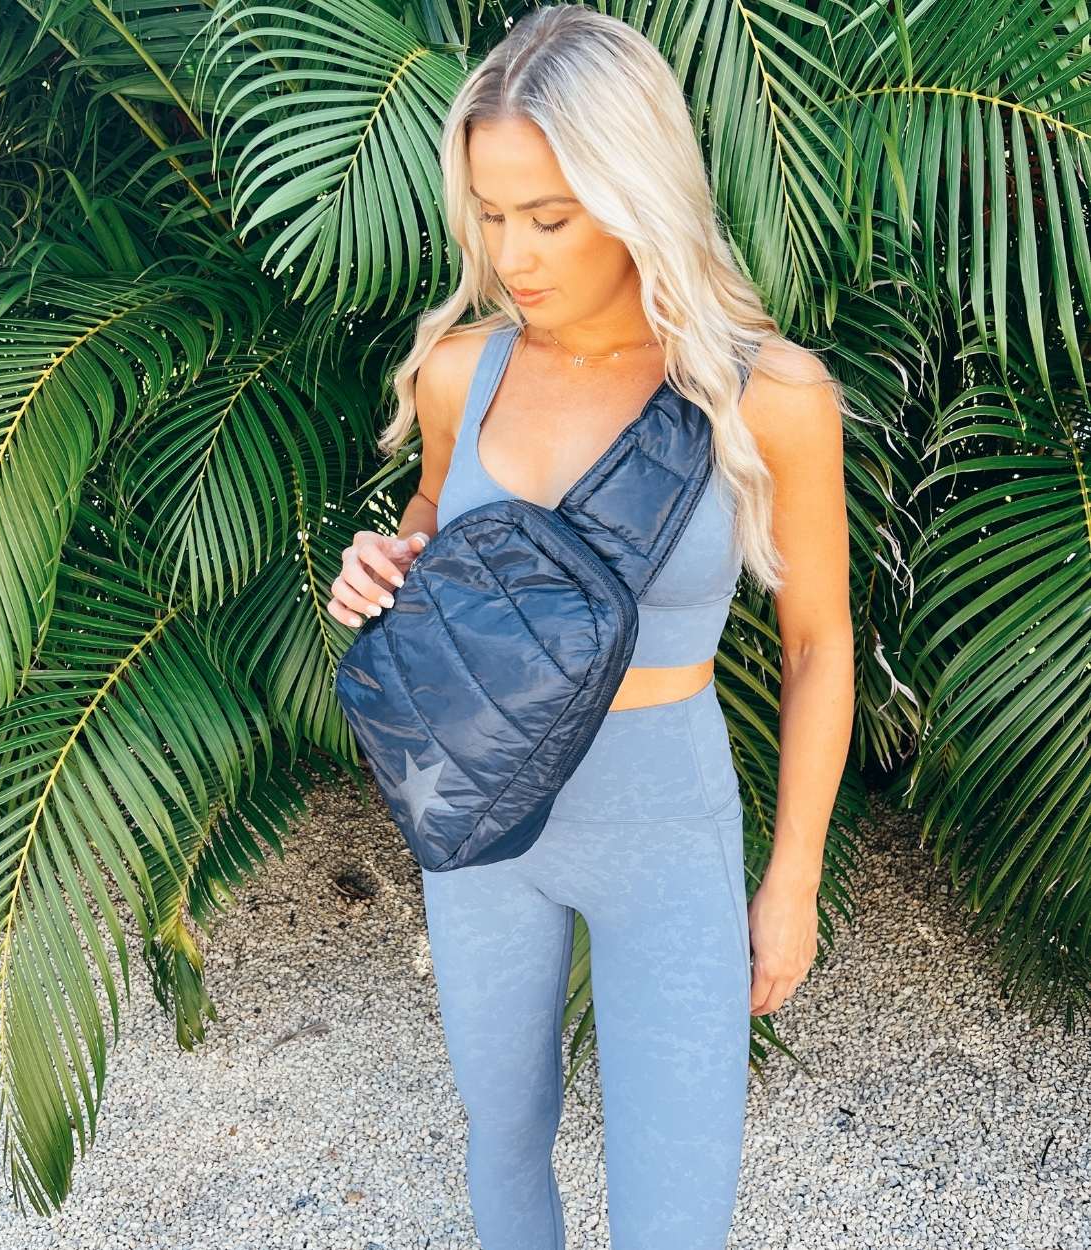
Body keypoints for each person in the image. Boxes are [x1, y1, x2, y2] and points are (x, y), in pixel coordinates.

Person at [328, 7, 853, 1247]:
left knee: (674, 1204)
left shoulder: (765, 396)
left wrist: (793, 879)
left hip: (664, 827)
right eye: (491, 213)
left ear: (635, 191)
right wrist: (379, 566)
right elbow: (431, 539)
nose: (513, 252)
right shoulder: (464, 369)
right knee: (500, 1155)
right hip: (481, 825)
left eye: (549, 217)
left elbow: (818, 644)